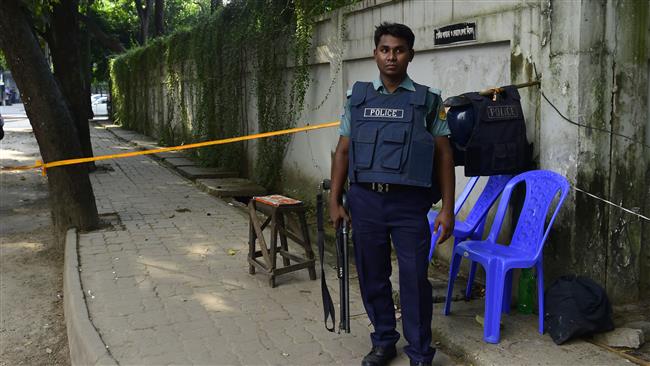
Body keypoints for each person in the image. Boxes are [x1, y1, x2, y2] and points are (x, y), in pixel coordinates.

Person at [328, 22, 455, 366]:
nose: (391, 57)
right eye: (385, 49)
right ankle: (384, 340)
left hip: (409, 204)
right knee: (372, 275)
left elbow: (445, 155)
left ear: (410, 55)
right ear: (375, 54)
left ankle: (419, 352)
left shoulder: (428, 101)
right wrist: (334, 199)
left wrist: (448, 209)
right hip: (365, 200)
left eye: (399, 50)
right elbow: (342, 152)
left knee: (414, 279)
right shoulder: (358, 98)